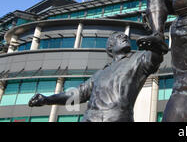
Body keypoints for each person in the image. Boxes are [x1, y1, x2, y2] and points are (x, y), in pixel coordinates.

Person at [28, 31, 163, 122]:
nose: (123, 36)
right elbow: (76, 94)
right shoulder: (99, 75)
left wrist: (156, 43)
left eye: (124, 36)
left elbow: (155, 57)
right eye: (117, 36)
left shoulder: (137, 59)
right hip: (90, 118)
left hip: (116, 118)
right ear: (110, 48)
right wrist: (47, 99)